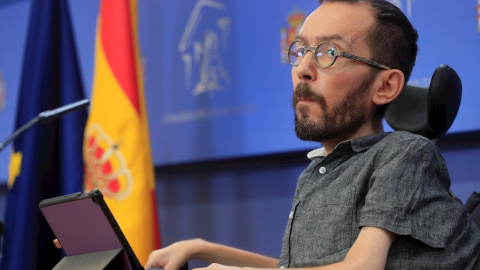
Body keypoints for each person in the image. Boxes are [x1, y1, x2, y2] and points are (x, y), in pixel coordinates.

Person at [146, 0, 480, 269]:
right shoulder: (318, 173)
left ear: (386, 86)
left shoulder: (405, 152)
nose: (303, 69)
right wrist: (204, 249)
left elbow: (361, 267)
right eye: (301, 50)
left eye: (329, 53)